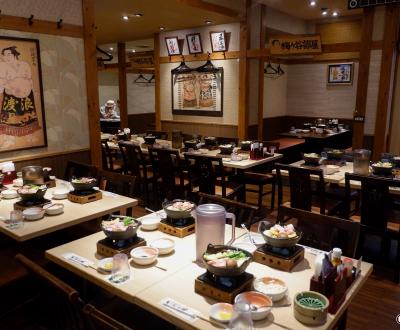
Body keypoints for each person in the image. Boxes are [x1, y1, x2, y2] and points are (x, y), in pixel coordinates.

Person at [0, 46, 38, 130]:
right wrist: (11, 88)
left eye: (8, 54)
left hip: (27, 94)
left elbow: (30, 79)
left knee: (28, 116)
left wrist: (34, 91)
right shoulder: (3, 66)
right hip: (11, 94)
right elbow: (1, 80)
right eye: (4, 55)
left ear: (15, 54)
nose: (6, 57)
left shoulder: (25, 64)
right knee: (12, 118)